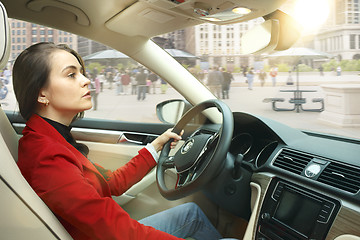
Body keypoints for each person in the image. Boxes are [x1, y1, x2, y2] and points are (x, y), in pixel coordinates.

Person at [12, 42, 231, 240]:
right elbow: (119, 231)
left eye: (81, 72)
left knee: (190, 213)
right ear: (42, 95)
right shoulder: (47, 157)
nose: (86, 80)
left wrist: (155, 149)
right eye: (71, 75)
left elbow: (110, 183)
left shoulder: (52, 138)